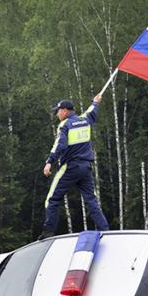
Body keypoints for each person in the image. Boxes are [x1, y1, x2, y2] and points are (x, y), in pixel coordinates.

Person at [39, 94, 110, 240]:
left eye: (58, 111)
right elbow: (92, 111)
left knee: (52, 199)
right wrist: (95, 102)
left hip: (70, 167)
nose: (57, 114)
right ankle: (105, 230)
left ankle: (48, 233)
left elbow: (60, 145)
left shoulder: (64, 125)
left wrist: (49, 161)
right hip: (86, 168)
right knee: (91, 200)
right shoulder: (85, 120)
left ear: (65, 111)